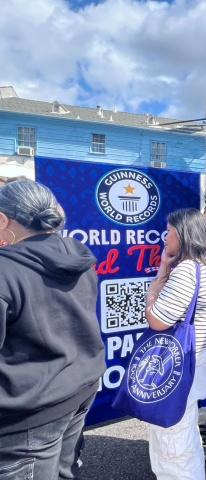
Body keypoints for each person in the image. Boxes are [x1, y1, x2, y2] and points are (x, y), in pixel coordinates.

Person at [0, 180, 105, 479]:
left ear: (3, 220)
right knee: (63, 471)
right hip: (79, 387)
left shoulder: (6, 271)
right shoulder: (77, 253)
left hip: (29, 412)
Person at [144, 208, 206, 479]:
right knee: (183, 431)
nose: (165, 237)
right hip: (194, 357)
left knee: (172, 437)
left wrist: (158, 279)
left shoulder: (187, 271)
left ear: (182, 235)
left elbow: (156, 320)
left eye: (169, 231)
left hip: (179, 363)